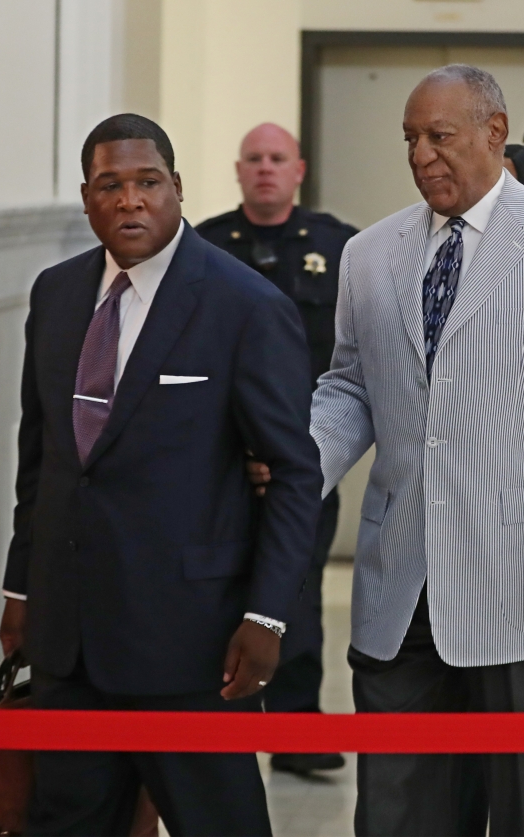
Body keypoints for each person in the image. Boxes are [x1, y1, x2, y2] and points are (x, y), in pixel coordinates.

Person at [254, 64, 524, 835]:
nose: (422, 154)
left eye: (440, 135)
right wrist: (297, 470)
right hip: (401, 579)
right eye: (410, 139)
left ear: (497, 134)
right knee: (397, 809)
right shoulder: (370, 252)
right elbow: (351, 387)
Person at [0, 113, 323, 837]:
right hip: (68, 641)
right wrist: (22, 586)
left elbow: (296, 475)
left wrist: (269, 614)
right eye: (110, 185)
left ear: (176, 188)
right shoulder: (54, 294)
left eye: (147, 182)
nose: (130, 200)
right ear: (87, 198)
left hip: (192, 645)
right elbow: (42, 458)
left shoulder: (245, 304)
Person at [197, 122, 357, 775]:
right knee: (215, 588)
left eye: (277, 159)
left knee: (297, 589)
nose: (265, 169)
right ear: (239, 171)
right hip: (218, 462)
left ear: (299, 170)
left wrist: (300, 450)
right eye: (254, 159)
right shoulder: (203, 246)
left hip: (303, 460)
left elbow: (352, 362)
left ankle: (295, 726)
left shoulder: (339, 247)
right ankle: (219, 725)